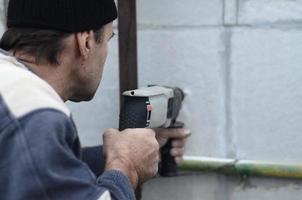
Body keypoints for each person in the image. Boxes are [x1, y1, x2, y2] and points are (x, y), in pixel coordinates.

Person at [0, 0, 190, 199]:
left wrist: (124, 153)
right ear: (86, 43)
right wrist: (127, 164)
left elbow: (39, 174)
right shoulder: (32, 112)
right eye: (108, 40)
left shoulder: (13, 98)